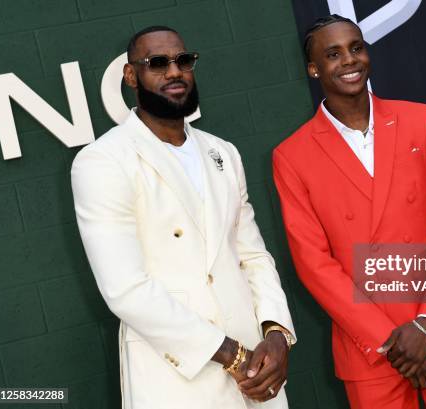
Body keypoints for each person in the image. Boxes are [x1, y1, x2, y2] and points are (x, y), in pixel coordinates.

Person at [272, 15, 426, 409]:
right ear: (313, 68)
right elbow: (314, 264)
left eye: (356, 48)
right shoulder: (292, 156)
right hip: (370, 349)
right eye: (333, 54)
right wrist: (394, 343)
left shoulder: (421, 120)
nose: (349, 61)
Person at [71, 25, 295, 409]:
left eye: (183, 61)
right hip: (176, 372)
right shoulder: (103, 161)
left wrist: (276, 334)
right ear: (131, 76)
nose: (174, 72)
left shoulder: (222, 152)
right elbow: (125, 289)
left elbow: (253, 256)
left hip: (257, 370)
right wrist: (230, 355)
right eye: (157, 63)